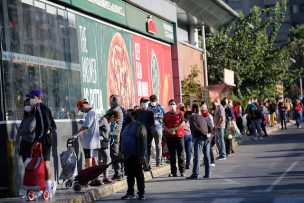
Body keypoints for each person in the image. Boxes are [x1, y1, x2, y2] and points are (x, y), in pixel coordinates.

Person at [27, 88, 57, 198]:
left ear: (39, 98)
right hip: (43, 139)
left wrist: (37, 140)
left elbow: (47, 125)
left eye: (32, 98)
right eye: (30, 98)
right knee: (42, 165)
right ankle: (45, 188)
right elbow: (53, 125)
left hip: (45, 141)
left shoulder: (41, 108)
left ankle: (49, 189)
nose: (31, 100)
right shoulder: (39, 108)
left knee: (45, 164)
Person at [120, 109, 147, 200]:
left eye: (128, 115)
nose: (126, 116)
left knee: (138, 174)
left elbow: (143, 142)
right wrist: (121, 152)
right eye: (126, 114)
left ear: (134, 116)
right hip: (127, 155)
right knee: (129, 175)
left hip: (136, 155)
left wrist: (142, 155)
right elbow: (123, 139)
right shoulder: (126, 126)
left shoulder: (140, 126)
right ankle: (130, 192)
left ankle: (141, 193)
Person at [75, 99, 102, 186]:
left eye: (81, 109)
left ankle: (87, 181)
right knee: (94, 162)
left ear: (83, 105)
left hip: (89, 143)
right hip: (94, 142)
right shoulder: (92, 112)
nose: (82, 111)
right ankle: (97, 179)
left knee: (88, 163)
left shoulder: (90, 113)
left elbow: (86, 126)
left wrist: (76, 134)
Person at [187, 103, 214, 179]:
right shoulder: (203, 117)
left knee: (197, 156)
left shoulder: (192, 117)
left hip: (199, 138)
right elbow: (210, 127)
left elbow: (196, 128)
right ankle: (208, 173)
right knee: (207, 156)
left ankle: (195, 174)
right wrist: (209, 134)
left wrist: (205, 134)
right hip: (207, 138)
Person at [163, 99, 185, 177]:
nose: (172, 105)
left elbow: (183, 124)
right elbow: (163, 125)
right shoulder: (166, 115)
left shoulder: (180, 114)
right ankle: (173, 172)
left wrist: (174, 129)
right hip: (170, 137)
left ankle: (182, 171)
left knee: (180, 154)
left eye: (173, 104)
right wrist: (168, 130)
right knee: (172, 155)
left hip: (179, 136)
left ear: (176, 105)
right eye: (170, 104)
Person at [98, 109, 121, 184]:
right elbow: (95, 127)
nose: (115, 121)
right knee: (107, 159)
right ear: (112, 116)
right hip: (101, 142)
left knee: (106, 160)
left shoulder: (109, 121)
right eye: (115, 119)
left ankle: (104, 177)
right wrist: (101, 135)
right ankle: (105, 177)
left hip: (106, 142)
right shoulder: (103, 120)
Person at [108, 94, 124, 180]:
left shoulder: (115, 111)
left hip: (114, 135)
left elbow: (106, 119)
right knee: (115, 153)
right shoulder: (116, 109)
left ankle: (118, 173)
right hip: (115, 134)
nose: (111, 102)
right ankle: (119, 171)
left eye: (112, 100)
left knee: (114, 153)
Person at [135, 97, 154, 171]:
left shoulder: (150, 112)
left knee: (147, 149)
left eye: (147, 102)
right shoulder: (136, 112)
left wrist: (145, 127)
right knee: (139, 148)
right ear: (140, 103)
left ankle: (147, 164)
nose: (145, 104)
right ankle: (140, 164)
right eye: (144, 102)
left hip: (148, 133)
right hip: (138, 133)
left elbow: (152, 123)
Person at [148, 95, 166, 167]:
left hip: (158, 127)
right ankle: (147, 162)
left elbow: (165, 116)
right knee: (148, 145)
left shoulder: (160, 106)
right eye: (151, 101)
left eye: (154, 101)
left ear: (156, 100)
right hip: (149, 128)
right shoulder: (148, 107)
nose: (153, 102)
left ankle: (158, 161)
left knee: (158, 145)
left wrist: (158, 116)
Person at [18, 98, 36, 163]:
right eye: (25, 105)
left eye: (28, 104)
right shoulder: (25, 118)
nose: (27, 106)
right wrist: (23, 131)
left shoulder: (35, 117)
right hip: (24, 144)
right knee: (26, 165)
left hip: (31, 145)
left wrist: (23, 130)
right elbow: (19, 131)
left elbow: (29, 129)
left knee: (31, 165)